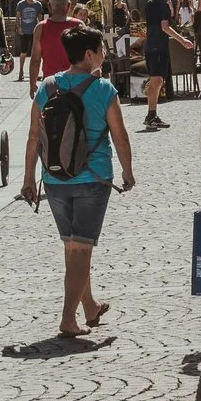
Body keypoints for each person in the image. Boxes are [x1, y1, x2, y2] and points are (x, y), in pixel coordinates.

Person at [21, 24, 134, 337]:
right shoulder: (104, 90)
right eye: (100, 49)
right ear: (89, 55)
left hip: (55, 178)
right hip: (93, 178)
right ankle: (68, 319)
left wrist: (28, 177)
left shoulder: (46, 87)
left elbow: (33, 138)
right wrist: (127, 171)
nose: (104, 54)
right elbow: (120, 137)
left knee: (73, 248)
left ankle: (90, 307)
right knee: (81, 250)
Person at [138, 0, 178, 132]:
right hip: (159, 46)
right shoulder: (163, 6)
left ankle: (152, 115)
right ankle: (151, 116)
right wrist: (182, 40)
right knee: (156, 81)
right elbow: (165, 27)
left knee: (158, 80)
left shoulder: (149, 5)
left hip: (150, 46)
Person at [29, 0, 81, 84]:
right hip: (76, 83)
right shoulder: (78, 25)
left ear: (49, 6)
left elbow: (35, 61)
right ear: (69, 6)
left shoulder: (41, 28)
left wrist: (32, 84)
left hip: (51, 83)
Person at [13, 0, 43, 72]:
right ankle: (21, 70)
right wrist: (19, 27)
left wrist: (40, 30)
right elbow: (18, 17)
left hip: (34, 31)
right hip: (24, 32)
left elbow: (40, 18)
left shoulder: (38, 5)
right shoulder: (21, 4)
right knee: (23, 52)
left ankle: (34, 70)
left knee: (35, 52)